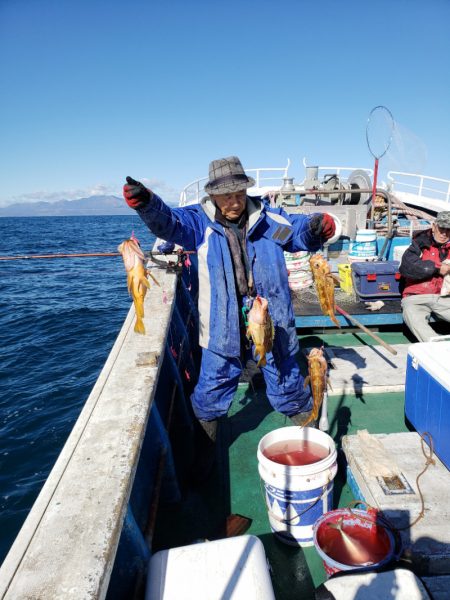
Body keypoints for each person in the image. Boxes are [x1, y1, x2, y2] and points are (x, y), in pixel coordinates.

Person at [123, 156, 336, 449]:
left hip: (269, 318)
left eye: (238, 194)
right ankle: (205, 449)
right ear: (212, 195)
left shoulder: (269, 220)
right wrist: (147, 203)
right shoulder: (198, 223)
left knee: (286, 378)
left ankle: (306, 426)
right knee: (212, 388)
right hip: (222, 324)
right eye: (226, 196)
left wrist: (316, 228)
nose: (234, 202)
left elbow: (297, 232)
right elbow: (169, 223)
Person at [399, 210, 450, 342]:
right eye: (441, 229)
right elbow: (406, 267)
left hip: (445, 298)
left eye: (448, 230)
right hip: (416, 297)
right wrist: (437, 268)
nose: (444, 234)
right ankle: (438, 347)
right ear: (434, 227)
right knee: (414, 318)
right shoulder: (419, 243)